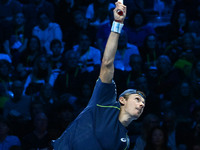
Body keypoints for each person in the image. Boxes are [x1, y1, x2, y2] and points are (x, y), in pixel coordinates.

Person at [52, 2, 146, 149]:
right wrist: (117, 24)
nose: (141, 104)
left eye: (142, 103)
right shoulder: (103, 101)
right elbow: (107, 62)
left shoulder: (123, 141)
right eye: (137, 99)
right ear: (121, 100)